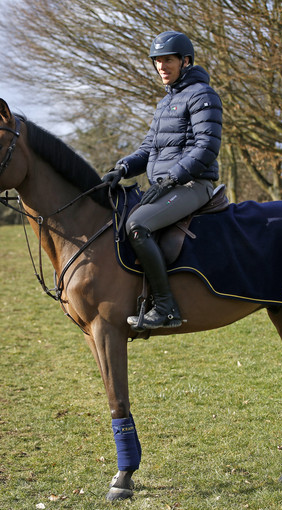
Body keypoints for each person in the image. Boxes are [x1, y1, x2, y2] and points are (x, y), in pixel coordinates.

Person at [102, 30, 223, 330]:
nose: (161, 67)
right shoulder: (164, 104)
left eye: (168, 60)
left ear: (185, 61)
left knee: (137, 224)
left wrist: (173, 177)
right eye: (157, 61)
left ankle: (167, 307)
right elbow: (147, 150)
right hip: (166, 184)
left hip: (193, 185)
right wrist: (123, 168)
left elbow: (207, 147)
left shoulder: (202, 95)